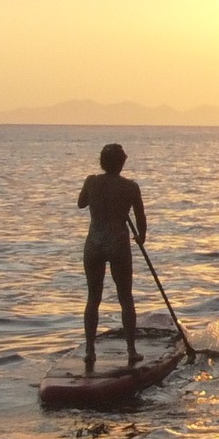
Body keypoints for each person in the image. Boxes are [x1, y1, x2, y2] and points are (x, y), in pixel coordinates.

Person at [78, 142, 148, 365]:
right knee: (125, 298)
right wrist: (141, 237)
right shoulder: (130, 187)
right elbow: (141, 218)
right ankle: (131, 350)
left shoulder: (92, 182)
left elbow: (81, 204)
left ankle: (90, 349)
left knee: (93, 298)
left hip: (95, 244)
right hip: (118, 244)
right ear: (122, 163)